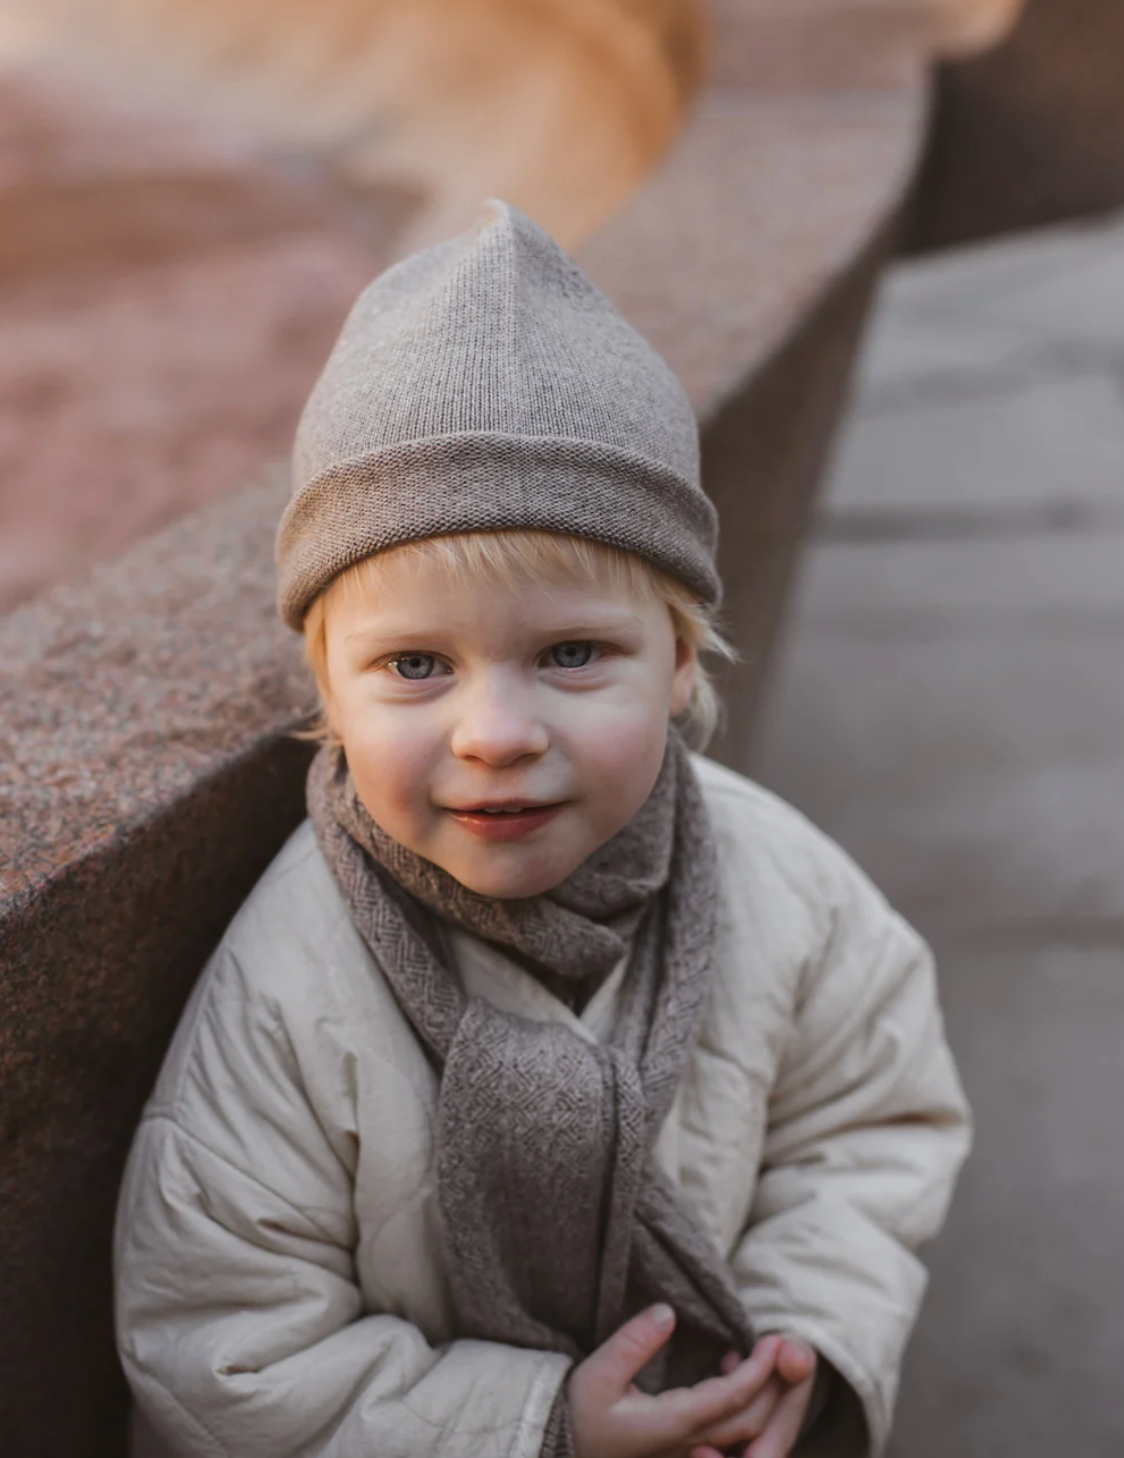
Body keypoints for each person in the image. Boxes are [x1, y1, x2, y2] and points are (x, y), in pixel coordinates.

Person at [113, 200, 971, 1458]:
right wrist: (535, 1429)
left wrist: (804, 1339)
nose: (495, 731)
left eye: (572, 653)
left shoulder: (791, 887)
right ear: (326, 684)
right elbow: (222, 1344)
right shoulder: (289, 984)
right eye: (415, 665)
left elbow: (869, 1122)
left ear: (678, 658)